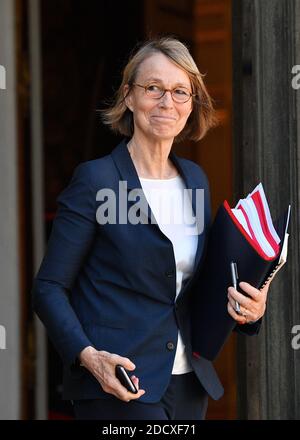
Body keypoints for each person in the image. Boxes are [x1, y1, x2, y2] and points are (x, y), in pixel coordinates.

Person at [32, 37, 270, 420]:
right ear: (128, 96)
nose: (167, 103)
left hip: (188, 384)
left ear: (192, 105)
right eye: (153, 88)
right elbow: (49, 287)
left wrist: (250, 309)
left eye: (180, 92)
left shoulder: (194, 179)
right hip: (119, 383)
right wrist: (89, 358)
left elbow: (198, 285)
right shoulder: (96, 181)